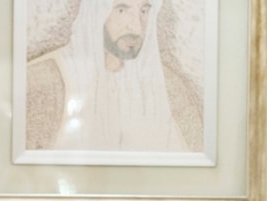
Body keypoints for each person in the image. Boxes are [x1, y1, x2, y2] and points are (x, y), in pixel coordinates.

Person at [26, 0, 201, 152]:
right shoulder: (42, 81)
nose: (136, 27)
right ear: (96, 13)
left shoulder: (171, 88)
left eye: (143, 11)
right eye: (121, 10)